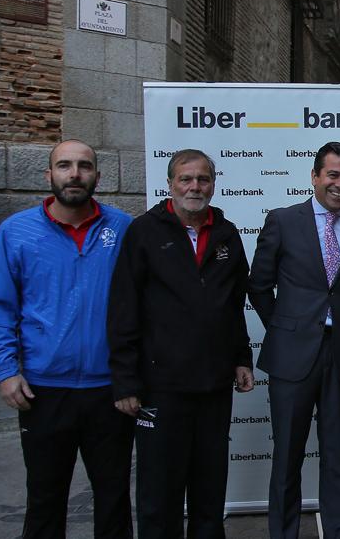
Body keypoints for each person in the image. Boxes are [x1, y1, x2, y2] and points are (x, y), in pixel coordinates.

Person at [0, 139, 134, 539]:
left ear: (98, 176)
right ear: (49, 175)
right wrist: (4, 371)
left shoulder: (123, 228)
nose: (75, 174)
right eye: (64, 165)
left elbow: (143, 306)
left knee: (114, 499)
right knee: (45, 500)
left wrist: (135, 375)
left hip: (109, 391)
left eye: (84, 166)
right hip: (44, 390)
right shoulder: (16, 232)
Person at [108, 148, 254, 538]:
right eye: (185, 179)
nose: (195, 186)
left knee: (209, 491)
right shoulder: (143, 233)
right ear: (170, 184)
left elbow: (233, 303)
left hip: (213, 386)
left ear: (213, 184)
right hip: (160, 387)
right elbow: (124, 309)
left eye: (202, 179)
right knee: (159, 493)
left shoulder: (227, 234)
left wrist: (241, 358)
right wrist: (124, 381)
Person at [247, 141, 340, 539]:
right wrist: (287, 328)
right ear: (315, 176)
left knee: (337, 454)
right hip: (292, 355)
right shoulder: (283, 220)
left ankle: (336, 531)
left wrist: (339, 325)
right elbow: (258, 286)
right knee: (287, 454)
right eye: (333, 175)